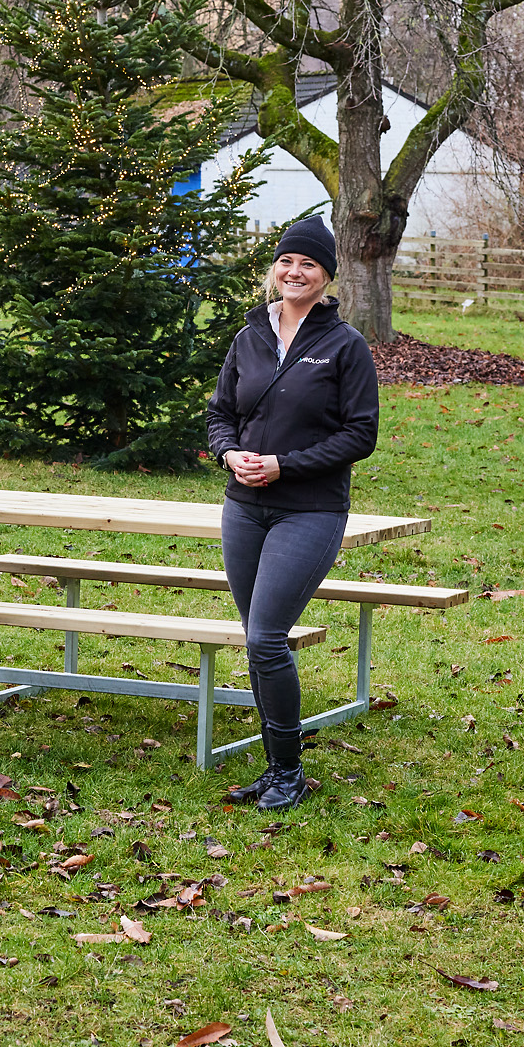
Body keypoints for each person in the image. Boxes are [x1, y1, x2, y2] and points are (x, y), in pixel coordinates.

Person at [205, 215, 378, 811]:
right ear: (273, 269)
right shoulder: (249, 335)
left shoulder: (344, 346)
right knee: (258, 643)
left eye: (308, 264)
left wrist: (284, 464)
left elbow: (361, 435)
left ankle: (288, 771)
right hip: (244, 508)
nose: (294, 271)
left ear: (326, 277)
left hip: (308, 510)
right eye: (286, 261)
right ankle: (277, 768)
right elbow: (219, 412)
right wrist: (229, 454)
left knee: (265, 636)